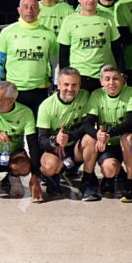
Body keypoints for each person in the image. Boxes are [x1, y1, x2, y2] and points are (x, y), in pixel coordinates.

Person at [80, 64, 132, 201]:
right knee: (108, 166)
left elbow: (130, 122)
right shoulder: (96, 95)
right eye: (107, 79)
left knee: (127, 137)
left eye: (115, 79)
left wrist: (108, 133)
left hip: (125, 143)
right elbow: (87, 123)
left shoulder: (131, 92)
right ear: (101, 81)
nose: (111, 83)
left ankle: (130, 183)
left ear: (122, 79)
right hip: (108, 144)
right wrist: (98, 135)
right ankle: (90, 180)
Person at [0, 0, 58, 116]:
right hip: (14, 90)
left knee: (38, 125)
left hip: (40, 90)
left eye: (33, 7)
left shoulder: (49, 34)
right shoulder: (7, 32)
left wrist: (56, 85)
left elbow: (56, 63)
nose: (29, 10)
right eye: (26, 7)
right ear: (19, 10)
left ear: (39, 10)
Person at [35, 67, 91, 200]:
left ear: (80, 85)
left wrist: (69, 137)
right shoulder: (46, 106)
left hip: (74, 147)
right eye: (66, 84)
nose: (70, 89)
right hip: (55, 149)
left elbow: (87, 126)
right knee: (49, 166)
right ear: (58, 85)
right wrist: (56, 141)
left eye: (74, 85)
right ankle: (51, 175)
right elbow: (41, 140)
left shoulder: (85, 97)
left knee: (91, 139)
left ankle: (88, 180)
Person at [58, 0, 123, 92]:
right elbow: (63, 53)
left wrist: (121, 72)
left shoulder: (107, 17)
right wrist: (64, 77)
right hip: (79, 75)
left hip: (104, 75)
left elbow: (117, 48)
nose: (90, 0)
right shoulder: (69, 21)